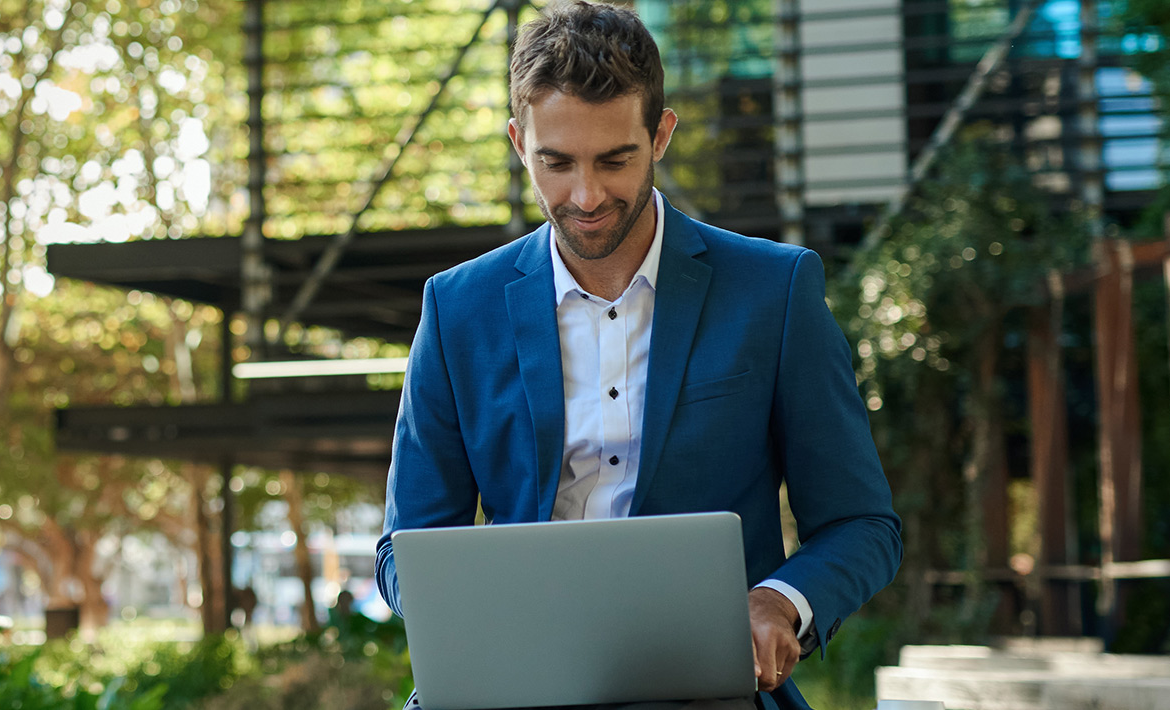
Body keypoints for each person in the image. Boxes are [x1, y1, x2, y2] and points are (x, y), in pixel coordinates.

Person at [374, 2, 902, 708]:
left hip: (706, 689)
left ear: (661, 135)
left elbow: (861, 522)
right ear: (516, 142)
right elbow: (404, 546)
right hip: (510, 686)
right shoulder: (454, 309)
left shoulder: (774, 292)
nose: (586, 196)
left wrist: (779, 603)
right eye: (555, 163)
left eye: (615, 160)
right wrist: (472, 623)